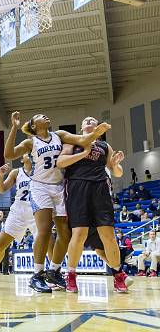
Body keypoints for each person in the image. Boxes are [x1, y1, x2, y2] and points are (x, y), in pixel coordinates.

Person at [4, 111, 110, 293]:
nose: (45, 116)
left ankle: (53, 270)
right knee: (44, 231)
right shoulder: (31, 142)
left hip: (59, 187)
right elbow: (9, 153)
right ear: (34, 125)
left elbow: (82, 140)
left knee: (65, 234)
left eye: (46, 115)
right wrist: (14, 127)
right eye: (39, 116)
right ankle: (36, 275)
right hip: (40, 187)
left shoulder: (59, 135)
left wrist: (95, 133)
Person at [57, 116, 129, 293]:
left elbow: (117, 173)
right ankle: (71, 274)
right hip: (77, 186)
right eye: (86, 120)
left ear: (97, 127)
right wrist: (83, 152)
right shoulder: (73, 140)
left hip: (100, 188)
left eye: (93, 120)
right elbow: (60, 162)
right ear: (82, 127)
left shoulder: (105, 146)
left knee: (108, 234)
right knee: (79, 233)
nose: (89, 120)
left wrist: (116, 164)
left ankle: (118, 275)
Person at [0, 154, 38, 288]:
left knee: (46, 244)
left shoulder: (40, 170)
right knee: (0, 245)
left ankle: (46, 273)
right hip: (18, 211)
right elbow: (1, 189)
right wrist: (1, 175)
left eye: (31, 151)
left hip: (36, 210)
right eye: (25, 152)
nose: (28, 153)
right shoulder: (16, 172)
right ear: (21, 159)